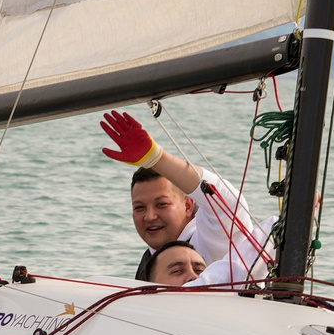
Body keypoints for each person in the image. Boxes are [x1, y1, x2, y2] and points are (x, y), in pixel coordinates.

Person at [98, 109, 271, 281]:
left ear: (188, 206)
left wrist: (157, 158)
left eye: (162, 204)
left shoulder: (211, 239)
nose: (149, 217)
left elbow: (228, 204)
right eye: (139, 208)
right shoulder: (150, 260)